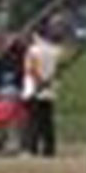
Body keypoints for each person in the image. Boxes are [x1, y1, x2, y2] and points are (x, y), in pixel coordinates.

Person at [22, 21, 63, 157]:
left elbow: (31, 69)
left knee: (32, 120)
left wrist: (39, 82)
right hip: (49, 89)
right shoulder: (55, 51)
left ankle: (31, 147)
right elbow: (58, 70)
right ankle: (49, 148)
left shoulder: (33, 51)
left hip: (34, 89)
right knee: (47, 121)